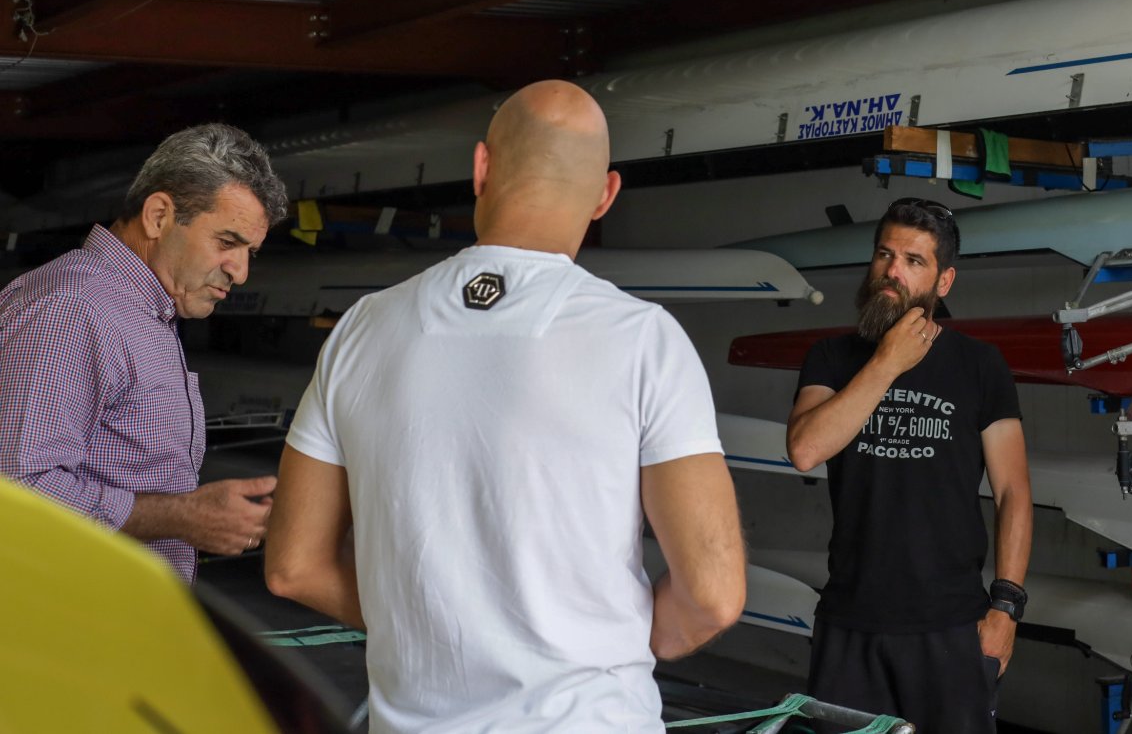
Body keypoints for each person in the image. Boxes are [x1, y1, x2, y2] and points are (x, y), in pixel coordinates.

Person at [266, 80, 746, 734]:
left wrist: (430, 630)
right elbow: (712, 595)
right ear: (605, 195)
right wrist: (602, 642)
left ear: (481, 168)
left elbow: (293, 566)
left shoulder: (361, 329)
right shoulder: (643, 339)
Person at [786, 197, 1033, 734]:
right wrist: (886, 362)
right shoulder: (830, 357)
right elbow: (805, 449)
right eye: (885, 254)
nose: (892, 271)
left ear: (944, 282)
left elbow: (1013, 491)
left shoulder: (979, 365)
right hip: (849, 621)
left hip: (951, 625)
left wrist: (1006, 608)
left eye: (913, 261)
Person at [0, 123, 287, 581]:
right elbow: (18, 491)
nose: (241, 272)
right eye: (227, 242)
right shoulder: (73, 308)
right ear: (158, 216)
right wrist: (181, 517)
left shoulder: (143, 310)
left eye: (250, 252)